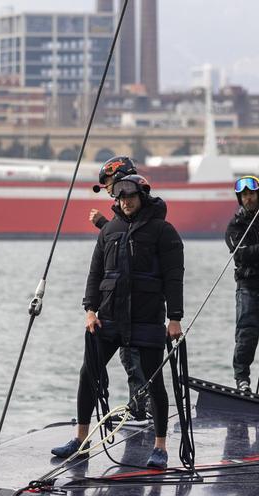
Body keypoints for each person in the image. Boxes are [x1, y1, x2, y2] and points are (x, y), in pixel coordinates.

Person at [51, 174, 185, 469]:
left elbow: (175, 277)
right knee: (88, 374)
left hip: (147, 319)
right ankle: (81, 440)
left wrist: (174, 318)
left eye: (131, 198)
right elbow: (95, 273)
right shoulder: (109, 230)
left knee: (154, 383)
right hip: (109, 318)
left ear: (143, 197)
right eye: (121, 199)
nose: (125, 203)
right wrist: (90, 311)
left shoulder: (164, 231)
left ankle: (160, 447)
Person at [86, 155, 156, 422]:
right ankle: (138, 405)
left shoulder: (144, 210)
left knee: (133, 356)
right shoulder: (123, 211)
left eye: (110, 183)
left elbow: (134, 241)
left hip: (138, 302)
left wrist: (104, 225)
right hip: (118, 302)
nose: (108, 190)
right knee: (129, 356)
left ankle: (142, 408)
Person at [225, 175, 259, 394]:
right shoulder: (235, 226)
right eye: (244, 196)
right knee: (246, 335)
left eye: (251, 194)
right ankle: (242, 379)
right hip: (248, 287)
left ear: (258, 195)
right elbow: (242, 255)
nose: (248, 199)